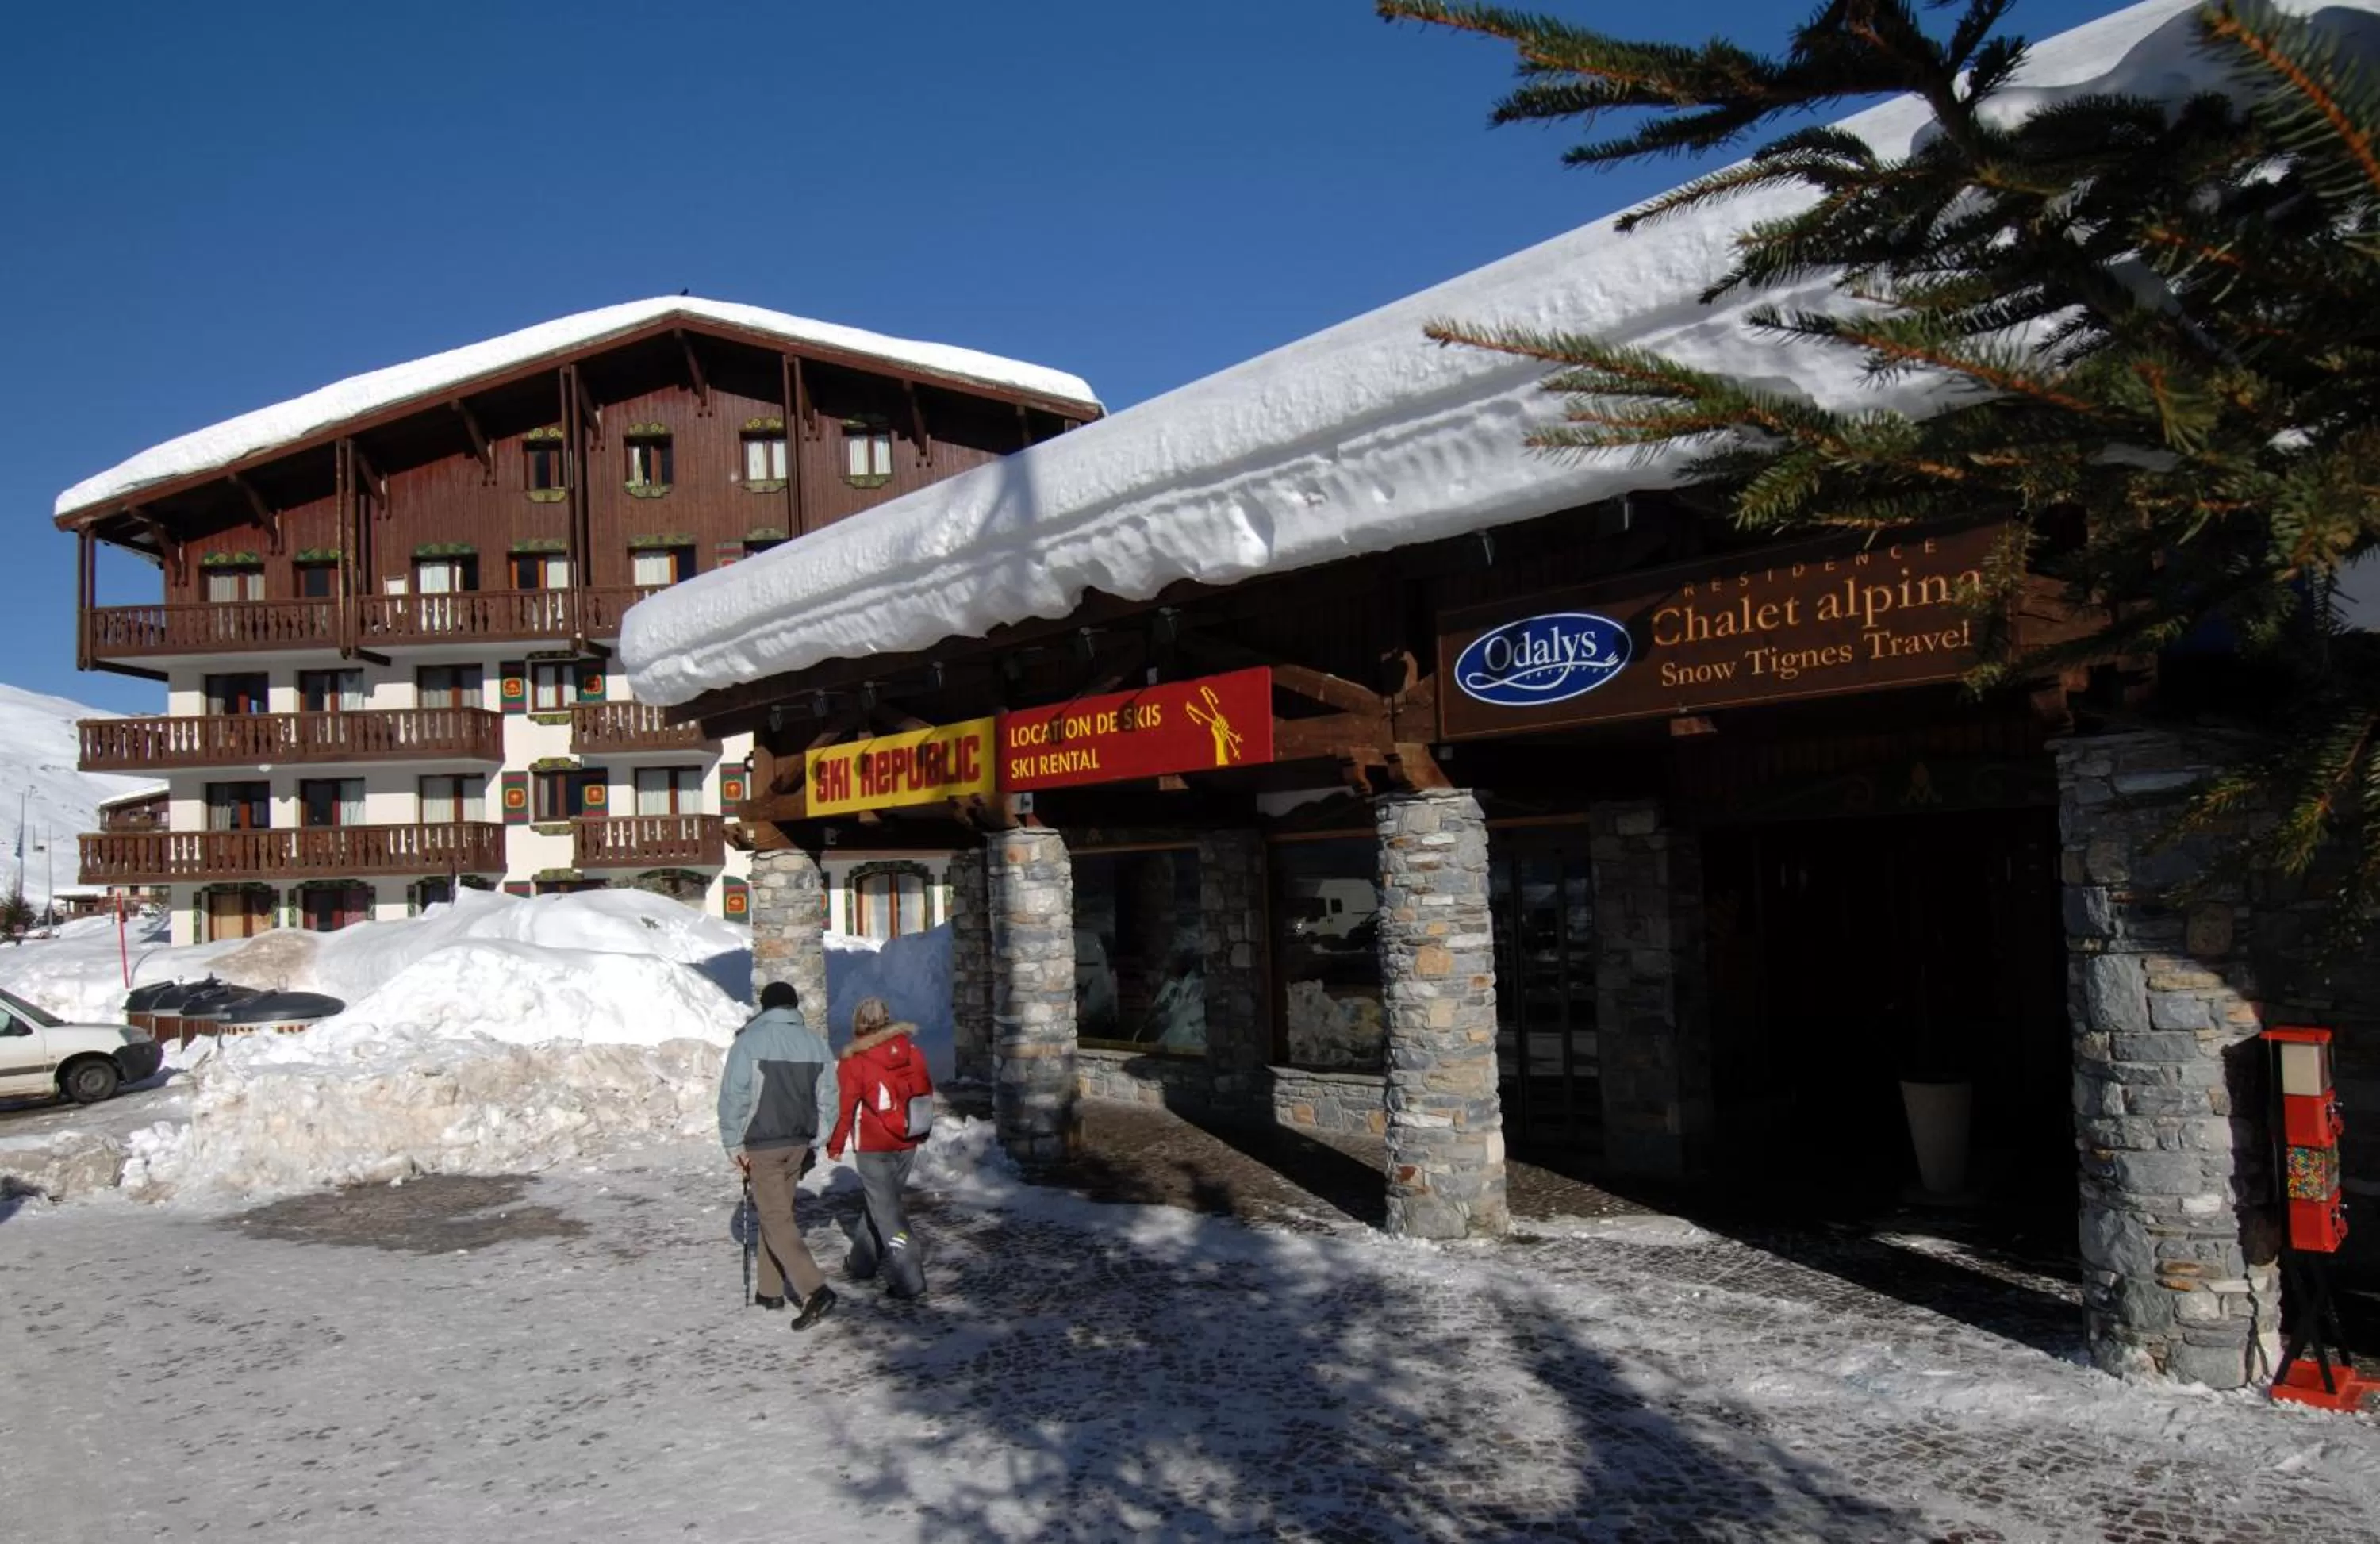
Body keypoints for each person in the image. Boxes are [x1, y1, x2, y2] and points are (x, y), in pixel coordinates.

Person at [717, 980, 839, 1330]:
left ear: (766, 1007)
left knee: (774, 1217)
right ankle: (769, 1290)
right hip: (798, 1144)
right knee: (778, 1214)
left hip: (762, 1144)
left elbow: (734, 1096)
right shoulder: (816, 1044)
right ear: (793, 1007)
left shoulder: (749, 1043)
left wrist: (732, 1143)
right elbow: (829, 1097)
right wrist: (819, 1138)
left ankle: (814, 1289)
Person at [826, 996, 931, 1300]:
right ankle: (862, 1264)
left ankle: (911, 1281)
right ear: (887, 1017)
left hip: (874, 1145)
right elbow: (924, 1091)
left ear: (858, 1022)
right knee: (882, 1205)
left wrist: (836, 1144)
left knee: (889, 1215)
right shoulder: (911, 1050)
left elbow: (844, 1108)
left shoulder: (854, 1061)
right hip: (908, 1139)